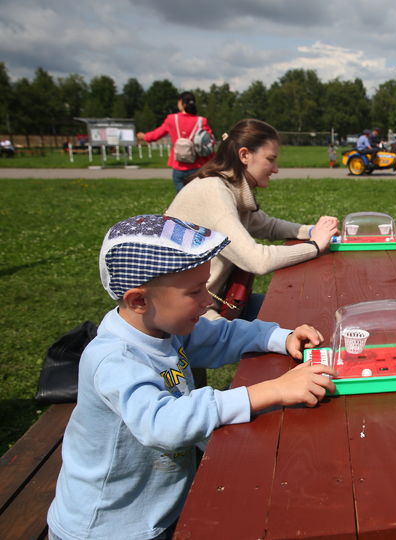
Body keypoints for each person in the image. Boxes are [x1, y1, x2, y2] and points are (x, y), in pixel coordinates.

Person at [47, 214, 336, 540]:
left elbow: (222, 337)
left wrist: (279, 338)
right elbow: (162, 423)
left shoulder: (165, 328)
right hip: (108, 525)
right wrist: (267, 392)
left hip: (159, 507)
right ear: (139, 299)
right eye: (195, 291)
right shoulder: (115, 359)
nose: (207, 301)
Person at [165, 119, 339, 320]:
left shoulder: (229, 185)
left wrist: (312, 231)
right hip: (190, 314)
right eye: (270, 159)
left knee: (300, 309)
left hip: (215, 302)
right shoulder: (213, 191)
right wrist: (315, 246)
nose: (276, 169)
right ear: (245, 155)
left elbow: (268, 226)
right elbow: (257, 260)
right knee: (289, 325)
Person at [137, 91, 215, 192]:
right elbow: (210, 141)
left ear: (182, 103)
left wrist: (144, 136)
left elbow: (156, 135)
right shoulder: (201, 121)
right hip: (197, 166)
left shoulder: (171, 119)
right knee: (197, 197)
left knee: (181, 199)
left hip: (179, 166)